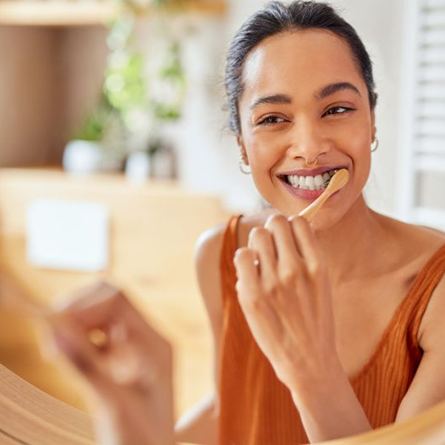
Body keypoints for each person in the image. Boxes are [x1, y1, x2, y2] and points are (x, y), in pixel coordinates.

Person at [49, 1, 445, 444]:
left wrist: (311, 369)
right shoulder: (223, 254)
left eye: (336, 109)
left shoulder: (437, 289)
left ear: (371, 119)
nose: (309, 148)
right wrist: (140, 422)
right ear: (242, 145)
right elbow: (231, 405)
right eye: (273, 119)